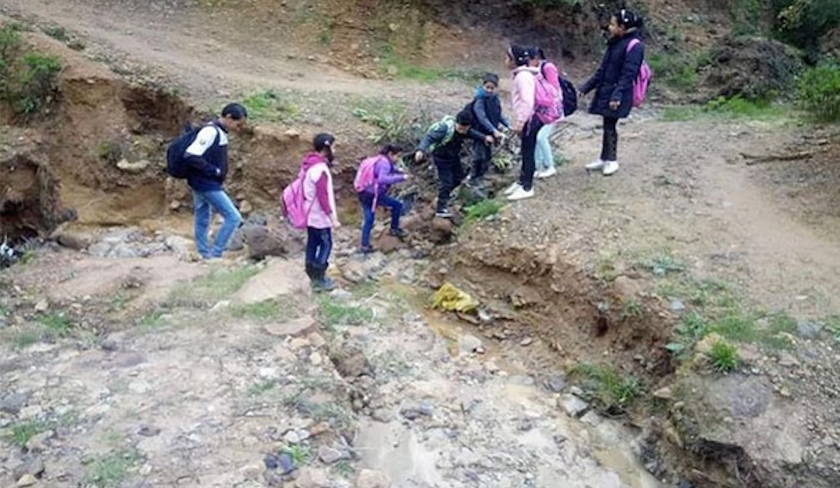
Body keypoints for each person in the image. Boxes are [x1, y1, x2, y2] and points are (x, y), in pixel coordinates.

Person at [579, 8, 645, 176]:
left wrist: (617, 95)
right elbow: (603, 70)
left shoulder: (634, 46)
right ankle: (604, 158)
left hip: (618, 91)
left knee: (610, 125)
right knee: (607, 123)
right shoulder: (615, 42)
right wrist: (586, 87)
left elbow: (628, 74)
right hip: (607, 88)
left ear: (623, 27)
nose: (609, 27)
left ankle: (611, 160)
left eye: (613, 24)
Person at [184, 102, 247, 260]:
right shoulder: (211, 132)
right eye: (238, 123)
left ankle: (204, 253)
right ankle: (216, 253)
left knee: (202, 216)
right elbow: (191, 155)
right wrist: (214, 171)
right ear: (228, 117)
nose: (238, 128)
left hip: (202, 182)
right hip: (206, 184)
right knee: (233, 217)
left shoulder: (219, 132)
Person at [415, 109, 493, 218]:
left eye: (465, 129)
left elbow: (472, 134)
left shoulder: (466, 130)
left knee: (458, 178)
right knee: (446, 182)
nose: (462, 131)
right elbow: (429, 138)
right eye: (460, 128)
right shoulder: (444, 129)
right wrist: (421, 150)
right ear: (456, 123)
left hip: (453, 157)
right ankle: (440, 208)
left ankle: (445, 196)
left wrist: (484, 137)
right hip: (441, 158)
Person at [502, 45, 545, 201]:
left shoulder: (523, 77)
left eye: (508, 58)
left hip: (530, 119)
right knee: (524, 150)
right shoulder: (519, 75)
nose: (505, 61)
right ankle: (521, 182)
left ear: (514, 60)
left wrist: (520, 122)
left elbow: (527, 101)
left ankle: (527, 187)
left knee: (528, 151)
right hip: (528, 118)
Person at [301, 133, 340, 292]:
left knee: (312, 243)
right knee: (326, 244)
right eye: (334, 146)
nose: (335, 150)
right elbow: (323, 197)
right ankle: (319, 279)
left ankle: (311, 274)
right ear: (326, 148)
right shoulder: (320, 169)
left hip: (309, 213)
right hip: (319, 216)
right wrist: (333, 218)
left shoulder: (308, 164)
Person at [357, 144, 411, 254]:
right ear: (391, 154)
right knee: (397, 205)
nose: (397, 159)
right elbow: (382, 178)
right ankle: (394, 229)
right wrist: (402, 177)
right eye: (397, 156)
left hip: (363, 192)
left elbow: (384, 169)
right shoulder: (385, 163)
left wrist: (397, 170)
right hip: (373, 194)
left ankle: (364, 245)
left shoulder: (379, 159)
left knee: (369, 219)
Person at [468, 73, 510, 186]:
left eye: (492, 88)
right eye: (487, 87)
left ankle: (482, 176)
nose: (489, 90)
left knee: (487, 155)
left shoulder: (495, 99)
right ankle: (473, 178)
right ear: (483, 86)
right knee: (478, 156)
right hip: (480, 131)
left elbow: (498, 114)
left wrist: (507, 125)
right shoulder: (479, 100)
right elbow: (482, 117)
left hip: (491, 132)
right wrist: (493, 130)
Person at [531, 48, 563, 179]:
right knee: (537, 137)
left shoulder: (548, 67)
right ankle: (538, 167)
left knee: (541, 137)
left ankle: (550, 166)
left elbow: (554, 89)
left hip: (552, 110)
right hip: (542, 110)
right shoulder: (534, 70)